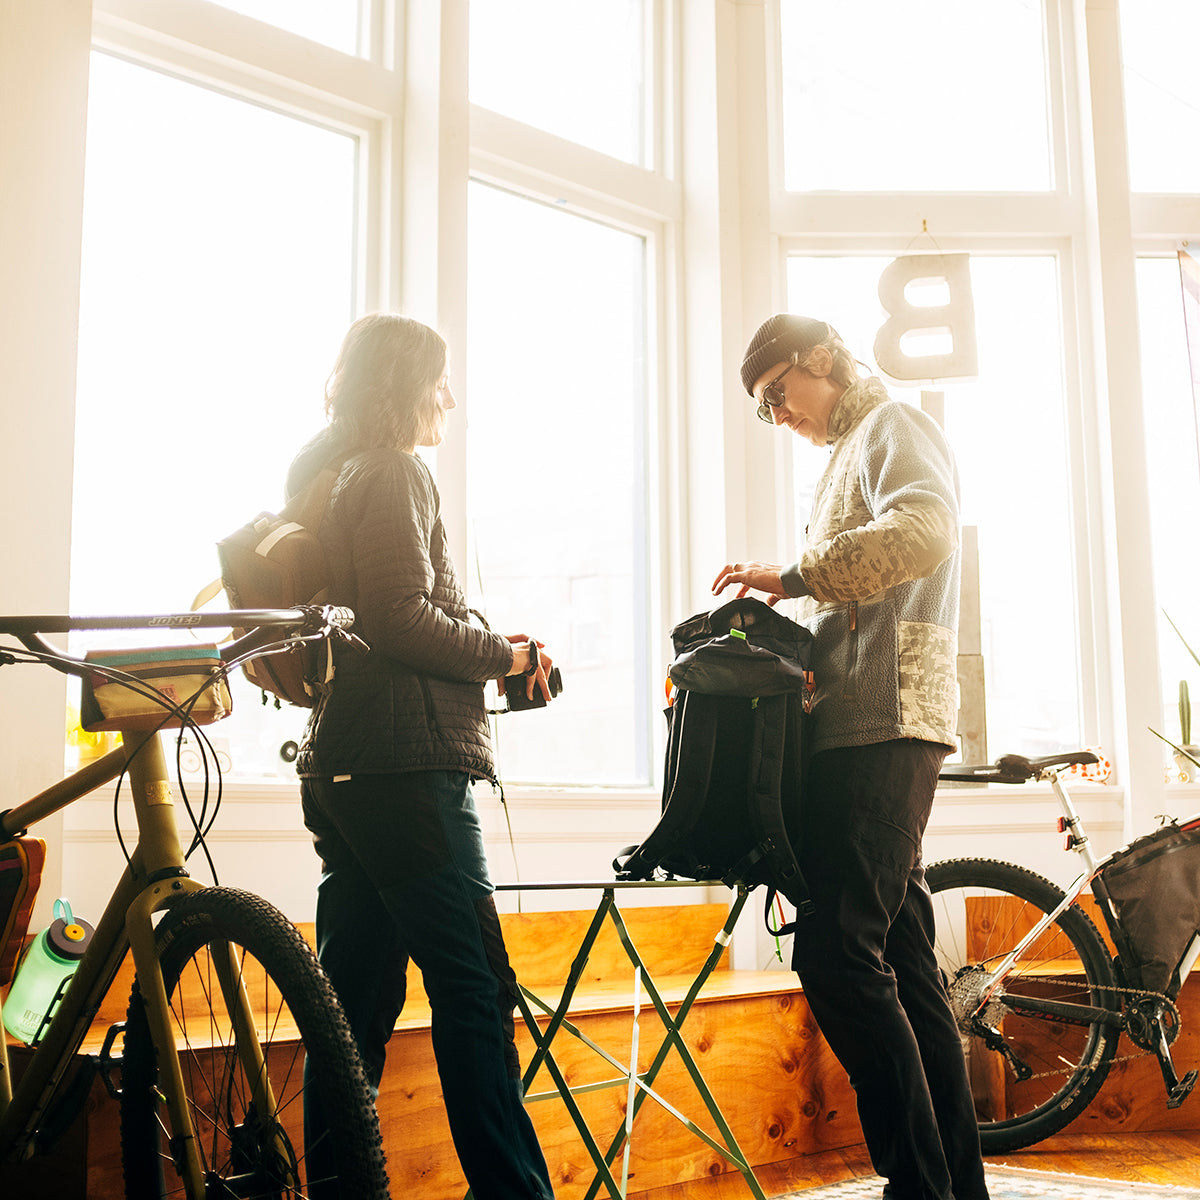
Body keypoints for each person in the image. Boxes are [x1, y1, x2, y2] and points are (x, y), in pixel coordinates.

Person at [712, 314, 990, 1200]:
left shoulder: (893, 426)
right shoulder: (850, 451)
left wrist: (789, 577)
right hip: (858, 724)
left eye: (774, 396)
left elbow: (926, 532)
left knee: (833, 958)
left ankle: (919, 1185)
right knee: (905, 969)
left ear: (820, 359)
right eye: (762, 410)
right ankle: (954, 1188)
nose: (775, 416)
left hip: (887, 723)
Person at [290, 313, 556, 1200]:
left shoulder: (332, 473)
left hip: (344, 771)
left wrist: (481, 640)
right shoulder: (398, 472)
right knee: (476, 991)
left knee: (351, 1010)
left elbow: (379, 613)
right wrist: (507, 657)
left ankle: (334, 1187)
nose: (450, 396)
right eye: (439, 379)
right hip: (407, 776)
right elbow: (400, 618)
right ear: (403, 386)